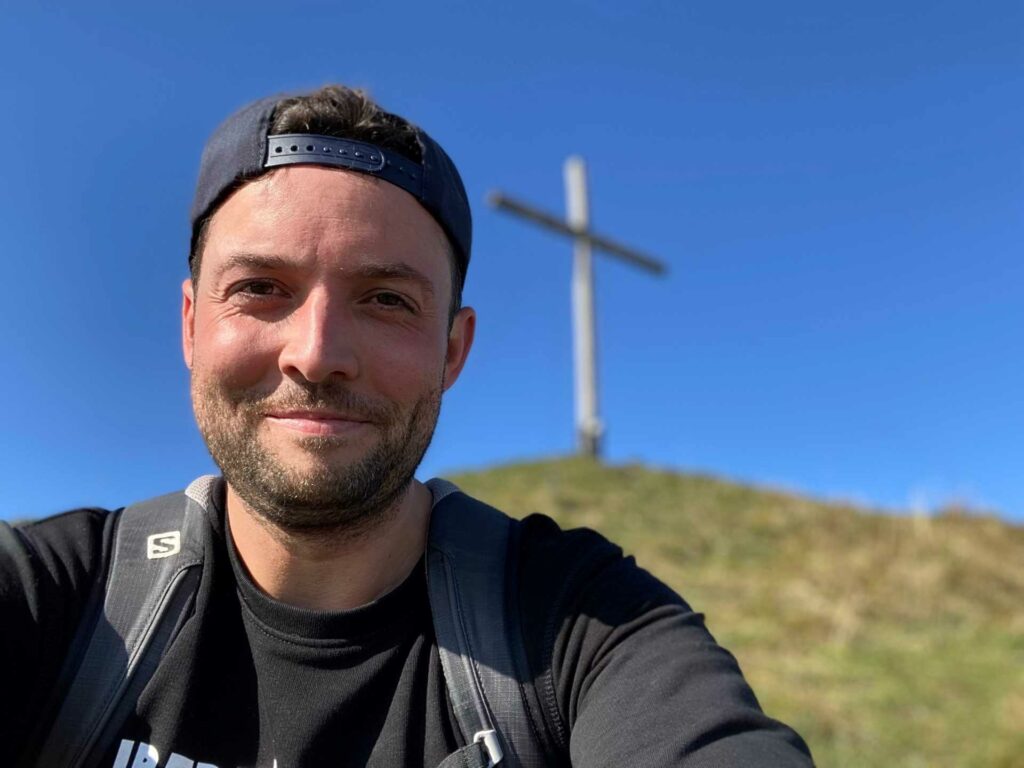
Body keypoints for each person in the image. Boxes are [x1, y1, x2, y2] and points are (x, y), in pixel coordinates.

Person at [0, 85, 814, 767]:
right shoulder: (58, 600)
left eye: (387, 300)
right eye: (260, 288)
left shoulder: (583, 629)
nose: (317, 357)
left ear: (453, 351)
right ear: (189, 325)